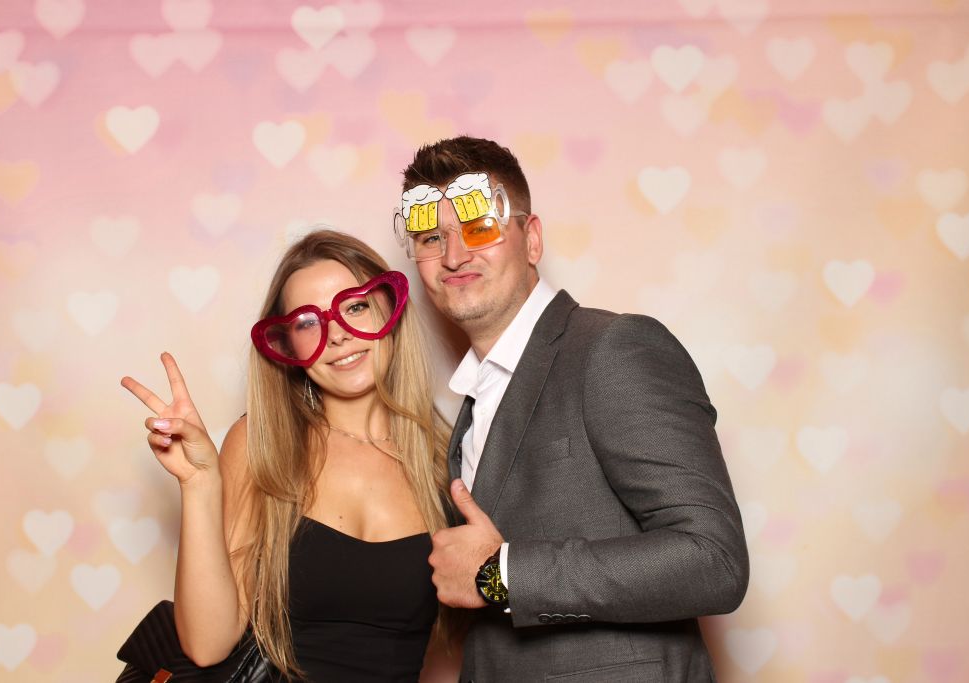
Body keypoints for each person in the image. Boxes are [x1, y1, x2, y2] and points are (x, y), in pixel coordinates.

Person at [391, 137, 750, 682]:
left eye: (479, 228)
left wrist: (499, 575)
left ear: (532, 239)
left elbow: (713, 560)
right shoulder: (473, 402)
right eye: (430, 238)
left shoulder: (613, 349)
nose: (454, 255)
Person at [121, 230, 452, 682]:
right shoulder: (261, 445)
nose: (338, 336)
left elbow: (459, 652)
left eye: (355, 307)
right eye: (309, 322)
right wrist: (198, 484)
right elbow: (206, 644)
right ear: (286, 345)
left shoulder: (448, 462)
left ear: (390, 310)